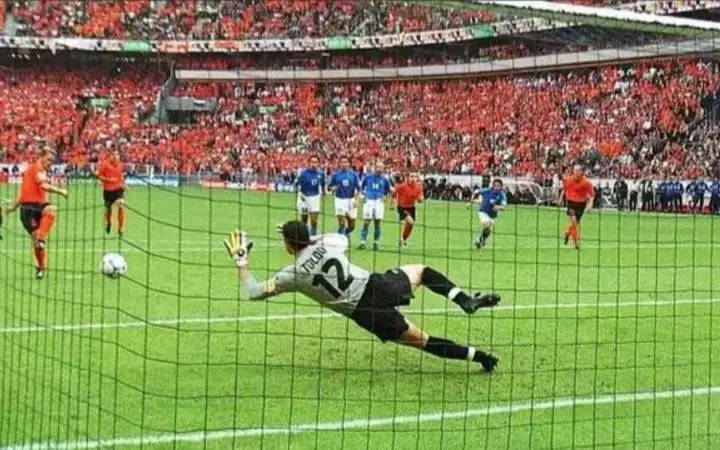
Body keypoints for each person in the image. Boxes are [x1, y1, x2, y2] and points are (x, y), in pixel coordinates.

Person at [224, 222, 501, 372]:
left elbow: (254, 292)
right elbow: (339, 238)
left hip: (366, 314)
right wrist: (312, 239)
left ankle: (481, 357)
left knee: (424, 341)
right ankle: (464, 300)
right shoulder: (331, 245)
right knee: (422, 271)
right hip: (378, 285)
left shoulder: (292, 274)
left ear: (287, 245)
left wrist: (241, 261)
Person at [5, 149, 68, 279]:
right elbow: (43, 186)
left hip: (39, 206)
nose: (51, 163)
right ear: (41, 158)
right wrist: (60, 191)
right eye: (49, 159)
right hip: (28, 210)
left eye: (52, 161)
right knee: (36, 242)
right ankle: (41, 267)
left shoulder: (37, 171)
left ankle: (41, 240)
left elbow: (24, 192)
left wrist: (12, 208)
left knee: (50, 211)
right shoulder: (36, 168)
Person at [358, 161, 392, 250]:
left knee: (377, 223)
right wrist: (362, 196)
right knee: (366, 222)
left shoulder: (385, 179)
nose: (379, 169)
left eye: (381, 167)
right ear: (374, 167)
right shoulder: (367, 177)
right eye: (377, 167)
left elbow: (388, 191)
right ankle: (362, 242)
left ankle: (376, 243)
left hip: (379, 202)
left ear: (383, 169)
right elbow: (361, 187)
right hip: (369, 201)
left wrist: (385, 197)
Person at [559, 164, 594, 250]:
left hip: (581, 204)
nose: (577, 172)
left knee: (575, 224)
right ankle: (576, 244)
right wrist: (560, 199)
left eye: (579, 170)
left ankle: (567, 233)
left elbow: (592, 194)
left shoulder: (586, 182)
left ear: (581, 171)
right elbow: (564, 189)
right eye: (576, 170)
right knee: (574, 221)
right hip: (571, 203)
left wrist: (590, 204)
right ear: (573, 171)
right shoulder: (569, 180)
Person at [327, 156, 361, 240]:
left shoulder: (354, 175)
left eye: (346, 162)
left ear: (349, 164)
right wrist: (332, 188)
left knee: (352, 226)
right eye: (342, 162)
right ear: (339, 163)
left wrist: (357, 200)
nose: (344, 164)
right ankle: (340, 240)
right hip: (339, 199)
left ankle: (344, 234)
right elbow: (329, 187)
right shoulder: (335, 175)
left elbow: (359, 189)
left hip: (351, 200)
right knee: (342, 223)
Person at [468, 179, 507, 250]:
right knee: (486, 224)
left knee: (488, 229)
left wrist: (498, 207)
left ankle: (480, 241)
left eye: (498, 186)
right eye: (495, 185)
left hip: (493, 215)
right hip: (483, 211)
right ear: (493, 186)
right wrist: (471, 201)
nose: (496, 187)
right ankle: (481, 241)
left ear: (501, 187)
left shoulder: (502, 195)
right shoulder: (487, 191)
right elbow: (476, 191)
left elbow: (504, 207)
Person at [96, 149, 127, 236]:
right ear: (110, 156)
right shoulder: (104, 164)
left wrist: (124, 185)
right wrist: (108, 180)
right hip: (108, 191)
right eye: (114, 155)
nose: (116, 156)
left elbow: (120, 176)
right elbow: (99, 176)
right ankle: (109, 223)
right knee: (108, 209)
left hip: (118, 189)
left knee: (121, 204)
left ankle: (120, 228)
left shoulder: (121, 165)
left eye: (117, 155)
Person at [296, 155, 325, 236]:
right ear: (309, 163)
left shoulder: (321, 174)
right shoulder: (303, 174)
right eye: (312, 162)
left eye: (315, 162)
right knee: (304, 219)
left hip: (315, 198)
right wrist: (300, 192)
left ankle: (313, 236)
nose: (313, 164)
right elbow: (297, 184)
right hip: (304, 197)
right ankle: (302, 236)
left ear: (318, 163)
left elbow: (323, 184)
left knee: (314, 220)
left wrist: (323, 193)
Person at [393, 172, 424, 248]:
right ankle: (402, 240)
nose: (413, 178)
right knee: (410, 222)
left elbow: (420, 198)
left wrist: (420, 199)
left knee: (410, 225)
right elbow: (394, 194)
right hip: (402, 207)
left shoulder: (418, 186)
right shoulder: (402, 186)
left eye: (415, 177)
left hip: (411, 207)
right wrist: (393, 204)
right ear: (408, 178)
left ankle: (403, 240)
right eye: (411, 176)